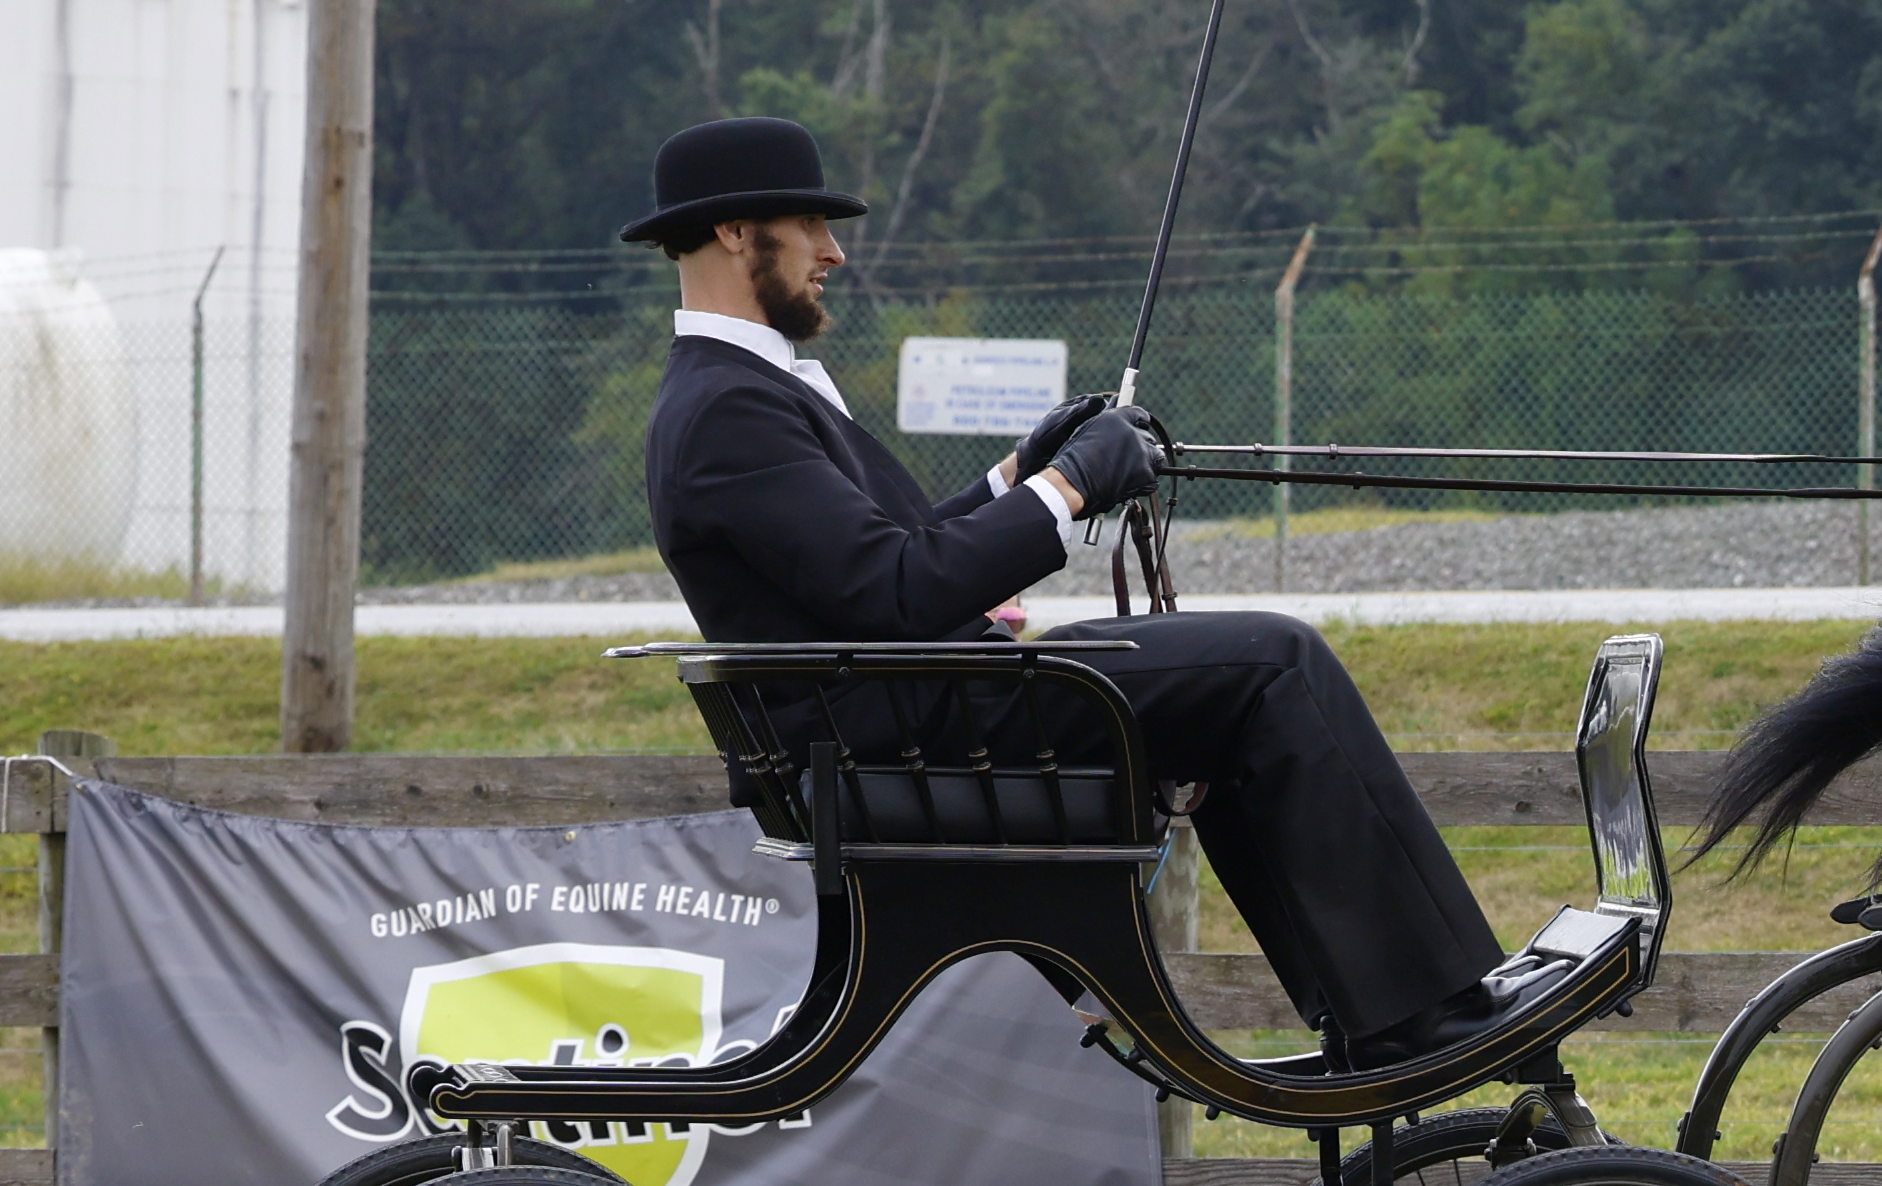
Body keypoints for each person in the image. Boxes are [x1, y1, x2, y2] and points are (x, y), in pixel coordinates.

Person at [629, 115, 1511, 1063]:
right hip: (919, 732)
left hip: (916, 717)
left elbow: (883, 557)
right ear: (734, 231)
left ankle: (1368, 1004)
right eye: (812, 227)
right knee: (1271, 661)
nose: (834, 252)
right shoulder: (730, 407)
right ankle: (1414, 1007)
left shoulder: (738, 392)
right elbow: (897, 593)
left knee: (1242, 687)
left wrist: (1021, 472)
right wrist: (1072, 487)